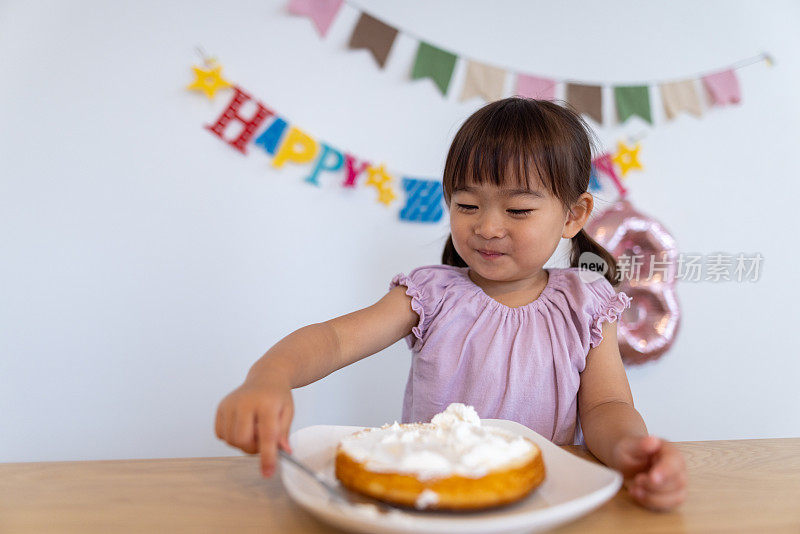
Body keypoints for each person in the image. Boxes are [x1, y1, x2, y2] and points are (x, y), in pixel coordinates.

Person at [215, 97, 687, 511]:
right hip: (431, 502)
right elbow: (335, 340)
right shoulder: (430, 296)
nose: (487, 227)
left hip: (543, 504)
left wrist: (630, 448)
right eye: (466, 205)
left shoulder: (586, 303)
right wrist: (270, 376)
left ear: (573, 215)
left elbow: (606, 405)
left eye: (518, 210)